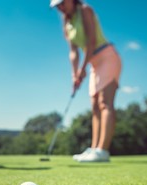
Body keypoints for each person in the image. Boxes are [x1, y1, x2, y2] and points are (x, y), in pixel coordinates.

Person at [50, 0, 122, 162]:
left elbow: (91, 41)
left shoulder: (85, 10)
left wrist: (82, 70)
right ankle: (94, 149)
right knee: (94, 106)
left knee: (105, 103)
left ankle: (103, 151)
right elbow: (73, 52)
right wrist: (74, 74)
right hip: (93, 64)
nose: (60, 7)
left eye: (62, 3)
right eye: (57, 6)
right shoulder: (66, 22)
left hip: (107, 57)